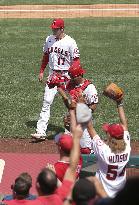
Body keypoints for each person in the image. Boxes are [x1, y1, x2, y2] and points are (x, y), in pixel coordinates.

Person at [31, 18, 80, 140]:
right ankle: (41, 131)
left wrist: (75, 77)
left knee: (71, 104)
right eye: (53, 29)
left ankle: (71, 131)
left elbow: (76, 61)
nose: (53, 31)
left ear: (62, 29)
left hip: (67, 76)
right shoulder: (49, 39)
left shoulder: (70, 42)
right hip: (52, 75)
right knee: (46, 102)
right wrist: (42, 71)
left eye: (56, 29)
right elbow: (46, 56)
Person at [36, 108, 84, 205]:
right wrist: (72, 112)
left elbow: (61, 190)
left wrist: (53, 175)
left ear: (60, 148)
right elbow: (75, 136)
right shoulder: (78, 159)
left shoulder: (56, 168)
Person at [87, 97, 131, 198]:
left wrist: (83, 106)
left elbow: (89, 127)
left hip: (103, 195)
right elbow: (124, 124)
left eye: (107, 132)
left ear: (110, 137)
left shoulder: (104, 151)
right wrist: (119, 103)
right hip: (120, 194)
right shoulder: (127, 147)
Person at [58, 64, 98, 154]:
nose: (71, 79)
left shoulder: (90, 88)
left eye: (73, 77)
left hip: (83, 122)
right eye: (70, 77)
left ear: (79, 75)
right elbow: (70, 104)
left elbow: (94, 105)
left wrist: (83, 115)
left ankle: (93, 166)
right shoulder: (70, 85)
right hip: (71, 120)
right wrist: (63, 95)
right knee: (67, 147)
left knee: (85, 150)